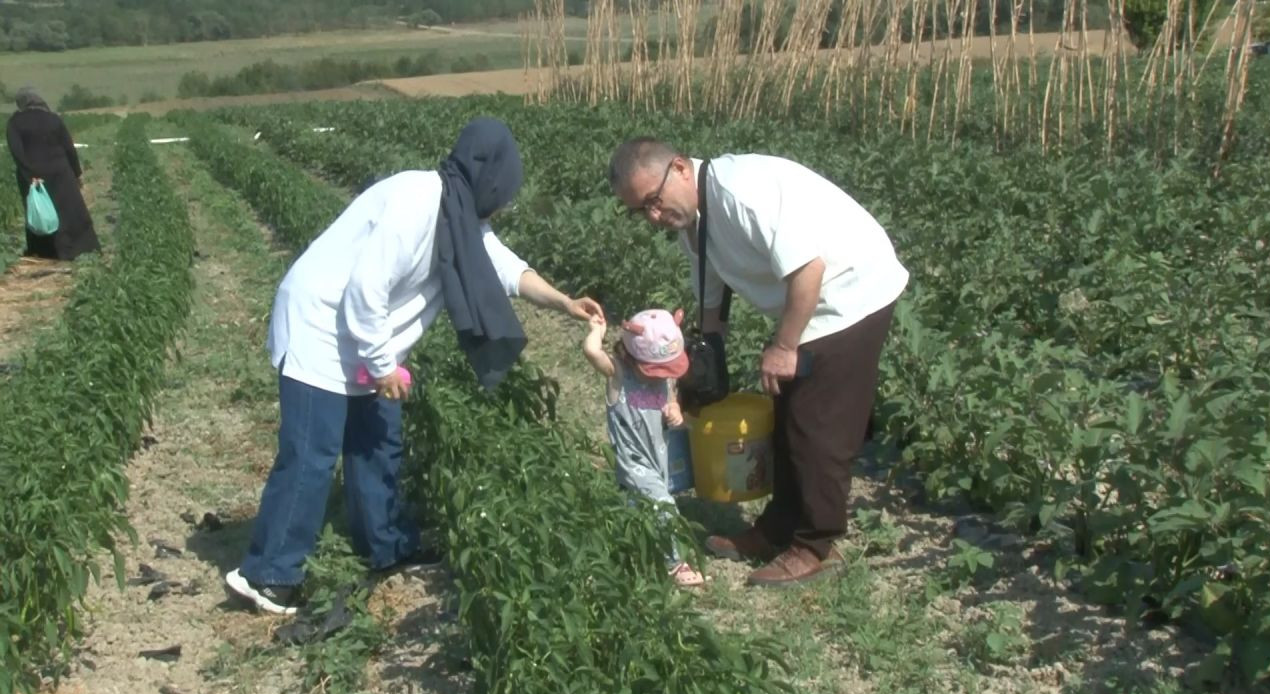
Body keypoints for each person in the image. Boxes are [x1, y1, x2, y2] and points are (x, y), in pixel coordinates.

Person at [225, 117, 603, 615]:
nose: (506, 201)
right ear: (489, 177)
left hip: (365, 338)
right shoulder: (415, 203)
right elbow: (366, 289)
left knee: (379, 443)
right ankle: (269, 573)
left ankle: (385, 546)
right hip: (322, 331)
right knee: (310, 455)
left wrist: (563, 301)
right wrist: (383, 366)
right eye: (506, 189)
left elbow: (503, 265)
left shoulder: (458, 211)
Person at [607, 138, 909, 588]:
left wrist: (785, 348)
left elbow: (809, 269)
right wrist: (704, 355)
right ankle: (778, 528)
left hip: (851, 290)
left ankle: (817, 546)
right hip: (812, 299)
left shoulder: (741, 193)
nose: (653, 217)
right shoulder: (695, 219)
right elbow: (711, 294)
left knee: (816, 425)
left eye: (653, 201)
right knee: (786, 413)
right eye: (640, 211)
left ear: (680, 169)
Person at [582, 308, 706, 587]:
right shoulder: (619, 375)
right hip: (633, 459)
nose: (661, 377)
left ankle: (626, 551)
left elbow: (670, 394)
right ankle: (674, 563)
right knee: (662, 503)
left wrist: (673, 407)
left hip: (657, 455)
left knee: (637, 507)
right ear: (632, 357)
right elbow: (592, 353)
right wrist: (596, 331)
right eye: (656, 371)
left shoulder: (664, 378)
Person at [5, 87, 100, 261]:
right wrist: (76, 173)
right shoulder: (53, 119)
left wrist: (30, 174)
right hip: (60, 171)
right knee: (68, 209)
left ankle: (46, 252)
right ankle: (78, 249)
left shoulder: (15, 122)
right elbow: (69, 148)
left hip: (34, 174)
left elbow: (16, 151)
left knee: (40, 211)